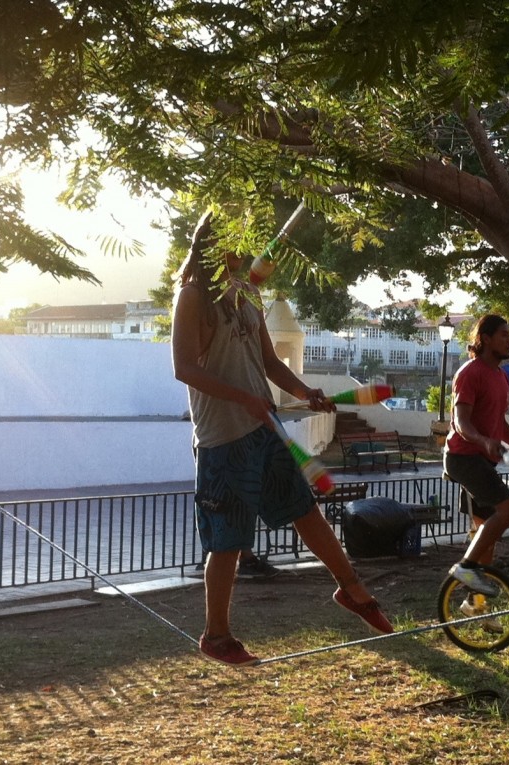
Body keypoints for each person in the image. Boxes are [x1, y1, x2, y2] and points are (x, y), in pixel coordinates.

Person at [172, 210, 393, 666]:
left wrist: (304, 392)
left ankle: (352, 590)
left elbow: (269, 363)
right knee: (228, 541)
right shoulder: (192, 296)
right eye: (235, 240)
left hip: (262, 429)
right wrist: (242, 398)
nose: (245, 249)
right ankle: (216, 635)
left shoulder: (247, 292)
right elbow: (184, 369)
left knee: (304, 510)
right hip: (223, 437)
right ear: (212, 246)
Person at [443, 314, 509, 605]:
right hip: (463, 457)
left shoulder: (501, 376)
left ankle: (475, 605)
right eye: (504, 335)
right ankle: (465, 568)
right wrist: (484, 440)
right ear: (485, 339)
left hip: (483, 460)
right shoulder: (470, 373)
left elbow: (498, 421)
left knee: (487, 537)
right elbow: (461, 422)